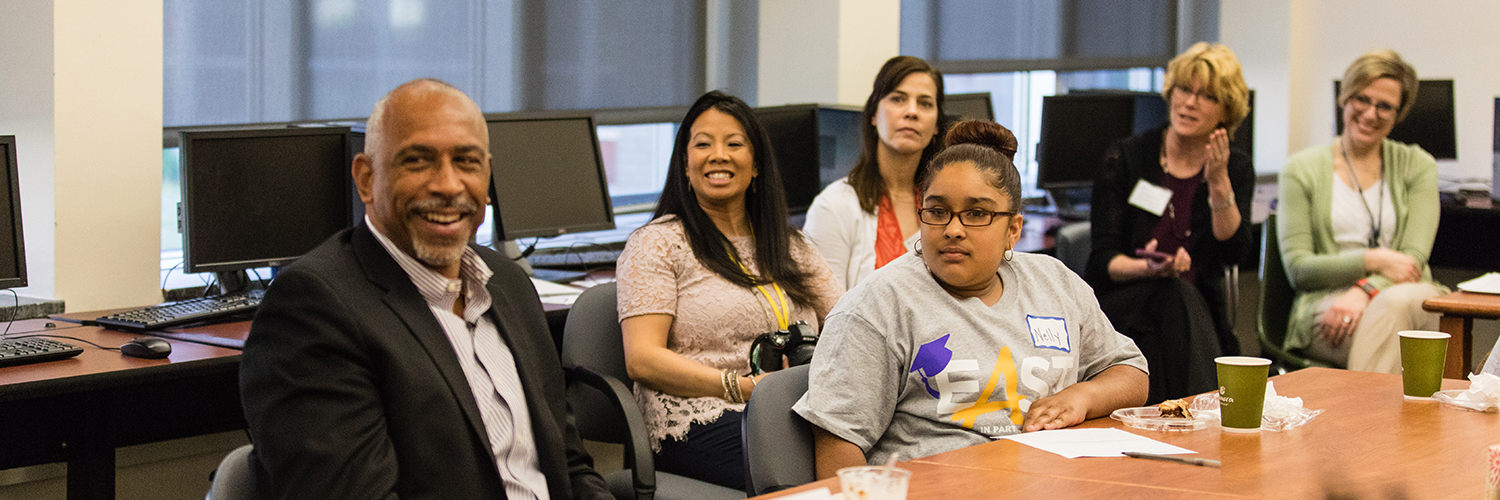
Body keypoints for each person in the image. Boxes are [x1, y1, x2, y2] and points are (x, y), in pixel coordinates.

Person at [240, 79, 611, 499]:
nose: (448, 186)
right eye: (418, 161)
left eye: (467, 162)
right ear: (366, 179)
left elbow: (568, 464)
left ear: (487, 176)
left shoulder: (508, 284)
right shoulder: (314, 307)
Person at [795, 120, 1148, 478]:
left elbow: (1131, 373)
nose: (953, 229)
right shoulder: (877, 306)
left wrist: (1081, 398)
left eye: (977, 214)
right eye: (937, 211)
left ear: (1013, 229)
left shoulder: (1055, 282)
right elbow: (838, 445)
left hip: (1051, 481)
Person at [616, 90, 843, 489]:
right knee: (807, 470)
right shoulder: (657, 243)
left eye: (734, 144)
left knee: (881, 447)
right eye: (703, 144)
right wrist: (738, 388)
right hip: (697, 415)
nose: (718, 154)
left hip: (790, 406)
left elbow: (846, 323)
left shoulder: (790, 245)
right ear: (685, 165)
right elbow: (643, 359)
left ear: (755, 165)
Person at [1085, 42, 1254, 403]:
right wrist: (1148, 267)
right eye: (1184, 90)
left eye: (1207, 96)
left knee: (1176, 304)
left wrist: (1219, 181)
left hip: (1198, 315)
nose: (1190, 103)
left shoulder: (1234, 167)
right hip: (1124, 308)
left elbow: (1234, 253)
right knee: (1171, 295)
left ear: (1227, 110)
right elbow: (1102, 262)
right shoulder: (1128, 157)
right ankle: (1204, 413)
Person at [1278, 49, 1443, 373]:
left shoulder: (1418, 165)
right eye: (1362, 99)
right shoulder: (1300, 169)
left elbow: (1412, 260)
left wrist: (1366, 290)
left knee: (1394, 307)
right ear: (1345, 98)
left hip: (1407, 297)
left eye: (1385, 106)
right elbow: (1299, 269)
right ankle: (1386, 422)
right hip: (1328, 307)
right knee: (1399, 336)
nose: (1371, 113)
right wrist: (1374, 260)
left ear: (1399, 113)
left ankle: (1366, 421)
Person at [806, 56, 1014, 290]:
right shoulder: (833, 206)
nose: (912, 112)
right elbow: (831, 313)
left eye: (925, 103)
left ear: (936, 124)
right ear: (873, 115)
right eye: (898, 99)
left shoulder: (950, 201)